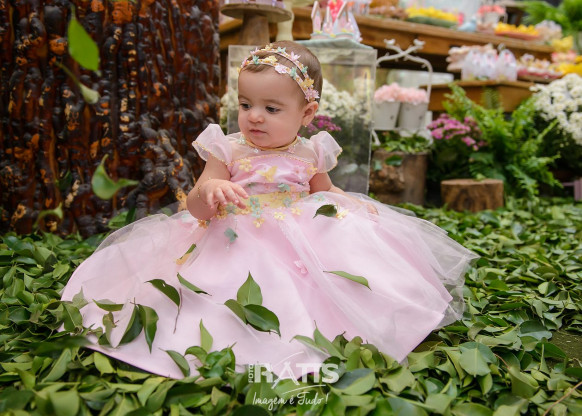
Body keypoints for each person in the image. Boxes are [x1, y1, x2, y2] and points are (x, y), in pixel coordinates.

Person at [61, 40, 477, 380]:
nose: (254, 117)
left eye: (271, 109)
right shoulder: (228, 149)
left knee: (337, 268)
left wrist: (351, 206)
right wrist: (213, 188)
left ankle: (329, 330)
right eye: (246, 105)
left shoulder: (312, 152)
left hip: (300, 235)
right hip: (231, 234)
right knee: (218, 289)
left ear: (307, 113)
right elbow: (197, 204)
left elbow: (325, 193)